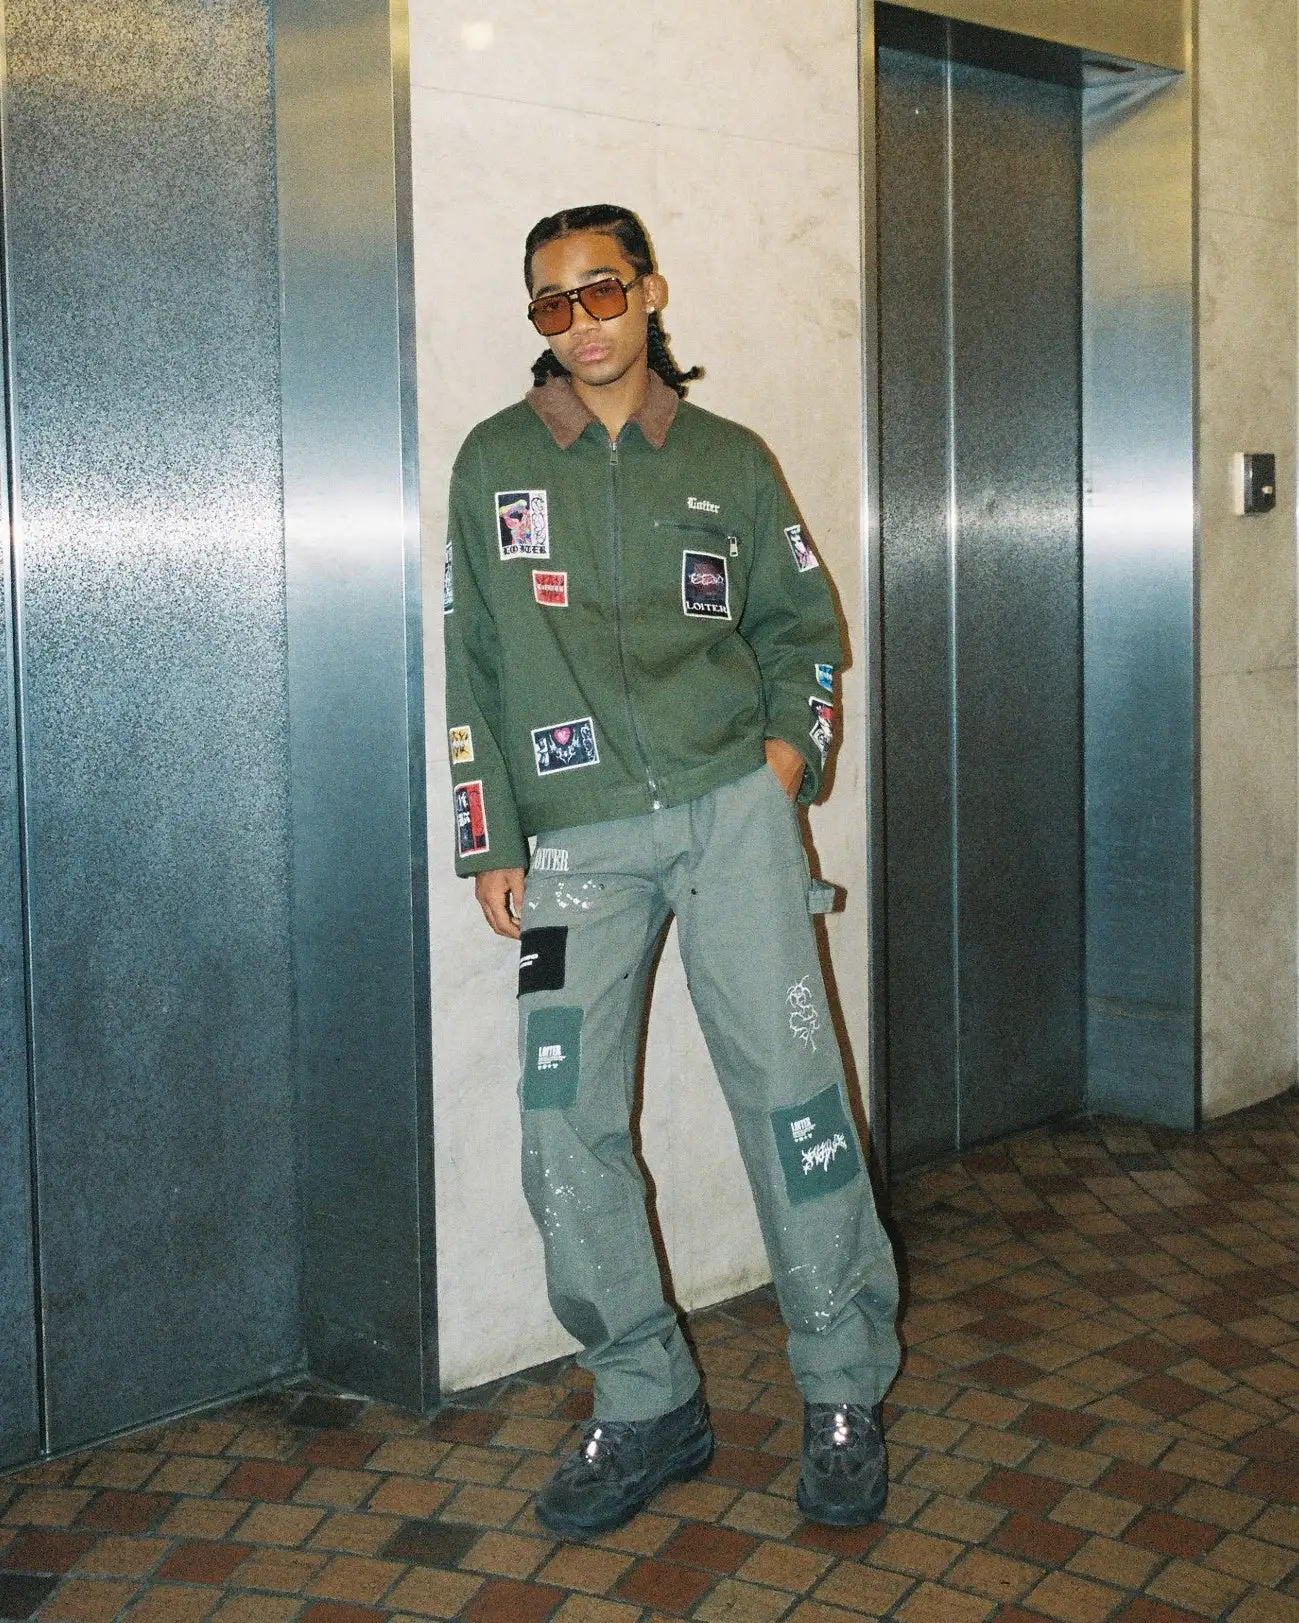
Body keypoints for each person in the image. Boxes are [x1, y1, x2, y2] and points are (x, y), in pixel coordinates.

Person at [442, 203, 900, 1536]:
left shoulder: (727, 460)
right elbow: (471, 659)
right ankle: (646, 1399)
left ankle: (841, 1387)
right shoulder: (494, 464)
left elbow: (804, 630)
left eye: (600, 290)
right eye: (551, 303)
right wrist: (490, 834)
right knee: (559, 1119)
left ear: (647, 291)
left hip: (730, 818)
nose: (579, 322)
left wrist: (783, 767)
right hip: (574, 841)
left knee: (794, 1099)